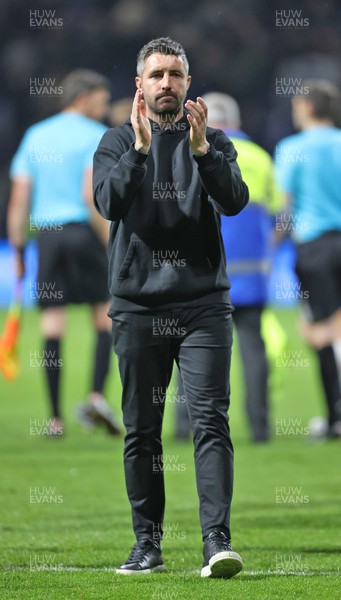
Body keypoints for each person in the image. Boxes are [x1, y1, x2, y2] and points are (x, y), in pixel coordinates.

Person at [93, 37, 249, 578]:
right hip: (138, 305)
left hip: (204, 304)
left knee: (210, 421)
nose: (166, 84)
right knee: (142, 429)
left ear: (188, 83)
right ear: (139, 84)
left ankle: (216, 542)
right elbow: (109, 202)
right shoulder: (115, 141)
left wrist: (205, 153)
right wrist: (138, 151)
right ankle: (148, 545)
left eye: (175, 75)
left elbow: (234, 199)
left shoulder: (213, 140)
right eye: (156, 75)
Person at [8, 69, 121, 437]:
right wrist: (111, 243)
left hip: (49, 237)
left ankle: (55, 419)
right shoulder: (96, 136)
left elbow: (20, 199)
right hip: (84, 232)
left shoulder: (36, 135)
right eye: (101, 101)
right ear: (83, 97)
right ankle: (94, 397)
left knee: (51, 324)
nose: (104, 109)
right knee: (103, 317)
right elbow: (91, 196)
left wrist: (20, 248)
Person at [174, 92, 282, 443]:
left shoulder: (193, 152)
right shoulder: (262, 158)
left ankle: (181, 426)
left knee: (189, 350)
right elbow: (280, 213)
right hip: (251, 273)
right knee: (252, 348)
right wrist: (269, 251)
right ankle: (260, 427)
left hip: (201, 273)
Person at [275, 79, 341, 439]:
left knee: (320, 332)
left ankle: (334, 418)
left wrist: (273, 243)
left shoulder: (292, 148)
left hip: (314, 247)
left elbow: (284, 207)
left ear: (308, 107)